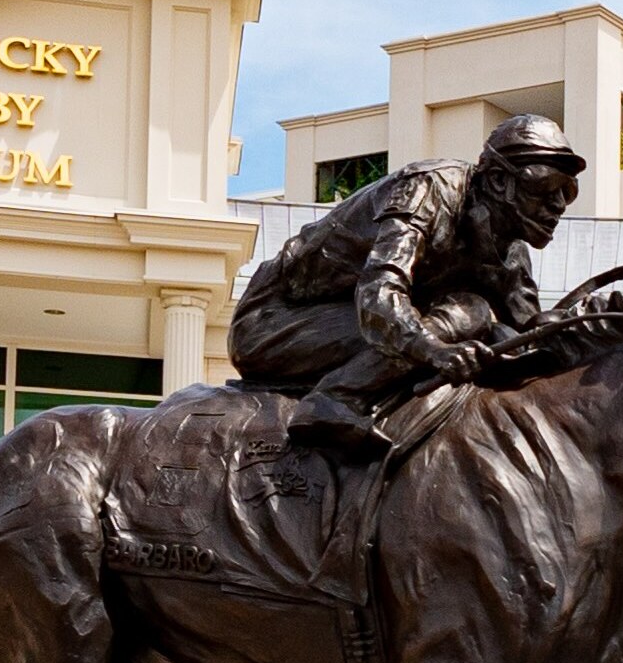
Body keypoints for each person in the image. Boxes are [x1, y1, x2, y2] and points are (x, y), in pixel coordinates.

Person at [227, 112, 590, 457]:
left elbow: (534, 339)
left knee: (489, 328)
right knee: (471, 314)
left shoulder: (510, 252)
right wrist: (435, 350)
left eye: (568, 192)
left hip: (353, 332)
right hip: (276, 323)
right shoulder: (427, 190)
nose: (558, 205)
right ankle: (334, 399)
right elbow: (378, 296)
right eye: (545, 187)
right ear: (497, 180)